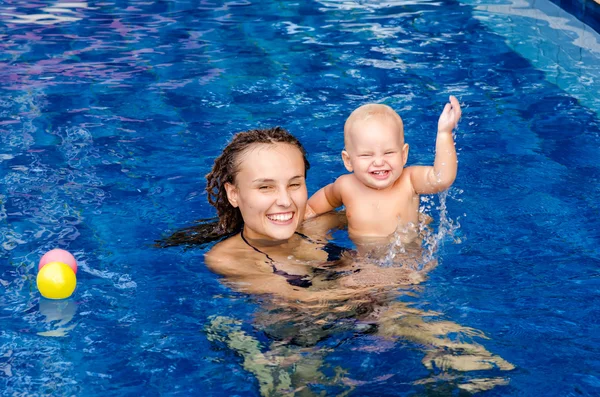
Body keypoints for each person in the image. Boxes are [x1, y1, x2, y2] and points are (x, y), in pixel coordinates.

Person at [306, 96, 462, 242]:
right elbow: (317, 204)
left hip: (405, 259)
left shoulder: (410, 180)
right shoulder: (345, 186)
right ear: (348, 161)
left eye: (388, 153)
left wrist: (444, 134)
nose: (379, 162)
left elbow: (442, 179)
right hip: (359, 259)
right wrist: (304, 215)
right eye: (366, 155)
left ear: (403, 155)